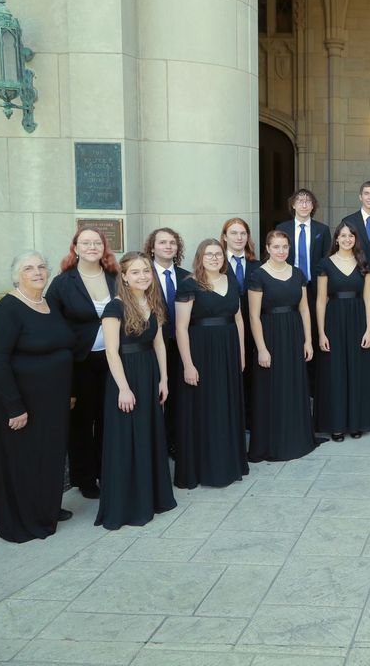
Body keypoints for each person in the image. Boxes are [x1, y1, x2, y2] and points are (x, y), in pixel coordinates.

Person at [0, 251, 75, 543]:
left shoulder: (48, 303)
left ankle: (44, 507)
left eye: (41, 267)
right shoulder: (8, 309)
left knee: (47, 452)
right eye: (28, 268)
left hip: (49, 397)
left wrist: (68, 391)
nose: (37, 272)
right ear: (17, 275)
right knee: (22, 456)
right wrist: (13, 407)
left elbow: (62, 348)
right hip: (13, 397)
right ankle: (22, 518)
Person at [96, 251, 176, 530]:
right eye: (136, 272)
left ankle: (151, 497)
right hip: (126, 377)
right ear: (125, 277)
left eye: (146, 271)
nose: (143, 276)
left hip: (149, 373)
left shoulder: (152, 302)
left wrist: (164, 379)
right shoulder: (114, 308)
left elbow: (159, 344)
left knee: (149, 435)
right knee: (127, 439)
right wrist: (123, 389)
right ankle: (128, 505)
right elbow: (112, 353)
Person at [46, 227, 118, 499]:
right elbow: (53, 325)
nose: (91, 246)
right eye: (85, 242)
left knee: (108, 418)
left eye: (96, 242)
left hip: (112, 359)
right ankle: (85, 478)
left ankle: (106, 469)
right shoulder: (63, 283)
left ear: (103, 247)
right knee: (82, 421)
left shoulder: (114, 277)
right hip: (80, 362)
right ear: (75, 247)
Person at [173, 239, 248, 488]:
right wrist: (188, 365)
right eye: (209, 254)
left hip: (228, 352)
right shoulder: (189, 285)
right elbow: (181, 328)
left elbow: (238, 319)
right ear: (199, 257)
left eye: (218, 254)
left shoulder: (232, 280)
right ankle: (205, 468)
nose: (214, 258)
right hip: (201, 352)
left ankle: (229, 463)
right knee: (205, 408)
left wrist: (241, 354)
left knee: (226, 405)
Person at [247, 230, 315, 461]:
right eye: (276, 247)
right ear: (267, 248)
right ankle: (273, 442)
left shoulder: (297, 274)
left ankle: (296, 438)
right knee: (272, 388)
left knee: (293, 385)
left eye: (285, 246)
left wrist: (308, 340)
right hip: (270, 334)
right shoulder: (258, 276)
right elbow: (254, 316)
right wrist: (262, 348)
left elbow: (304, 309)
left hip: (294, 333)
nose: (281, 251)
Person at [316, 222, 370, 440]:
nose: (347, 239)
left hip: (358, 319)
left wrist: (369, 330)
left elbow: (369, 298)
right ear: (336, 239)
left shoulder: (364, 263)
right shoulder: (325, 264)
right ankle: (337, 424)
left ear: (355, 239)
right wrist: (321, 332)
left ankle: (356, 423)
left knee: (357, 371)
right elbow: (321, 300)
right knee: (336, 372)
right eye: (343, 235)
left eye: (351, 235)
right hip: (333, 321)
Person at [277, 189, 330, 388]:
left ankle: (313, 383)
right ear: (293, 205)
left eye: (308, 201)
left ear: (313, 206)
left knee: (315, 330)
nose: (304, 204)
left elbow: (325, 260)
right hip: (290, 287)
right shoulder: (283, 228)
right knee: (295, 330)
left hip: (315, 287)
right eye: (300, 200)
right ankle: (295, 380)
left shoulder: (322, 230)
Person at [144, 227, 189, 454]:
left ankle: (172, 441)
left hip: (179, 345)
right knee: (154, 395)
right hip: (152, 345)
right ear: (152, 248)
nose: (168, 246)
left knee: (177, 395)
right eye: (162, 242)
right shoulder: (143, 275)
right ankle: (154, 444)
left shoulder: (186, 276)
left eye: (172, 242)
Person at [221, 217, 259, 425]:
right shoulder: (216, 263)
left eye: (243, 233)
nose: (239, 237)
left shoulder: (257, 265)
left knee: (252, 373)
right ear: (225, 237)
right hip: (227, 328)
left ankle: (250, 418)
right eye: (234, 233)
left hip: (253, 327)